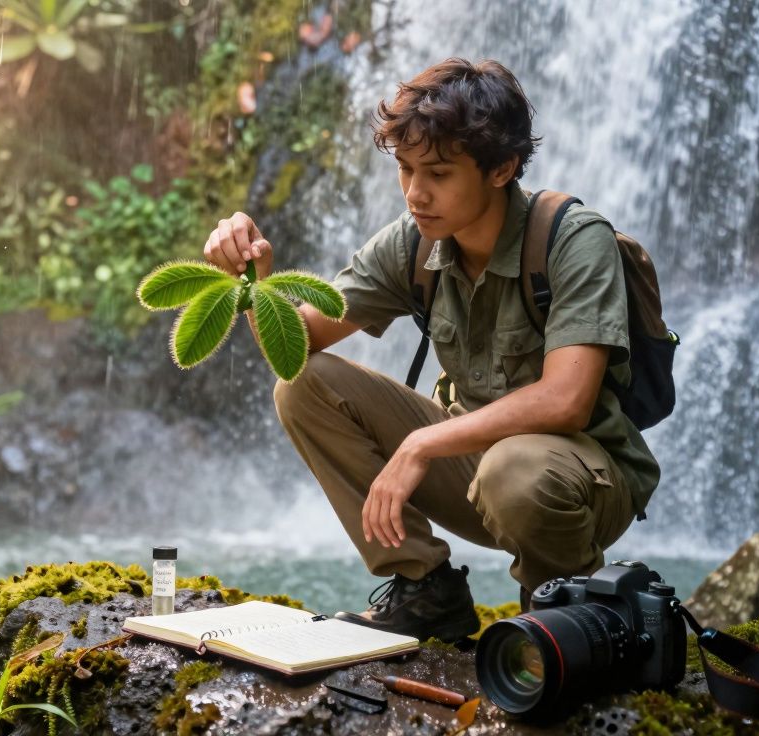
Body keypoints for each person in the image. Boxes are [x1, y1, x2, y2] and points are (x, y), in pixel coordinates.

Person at [201, 58, 660, 642]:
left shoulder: (573, 238)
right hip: (472, 469)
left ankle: (561, 612)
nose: (416, 193)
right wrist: (251, 281)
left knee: (513, 470)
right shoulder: (416, 242)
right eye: (405, 169)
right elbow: (300, 345)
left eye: (439, 172)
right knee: (304, 385)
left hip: (580, 482)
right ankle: (425, 591)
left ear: (502, 168)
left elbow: (566, 400)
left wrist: (422, 442)